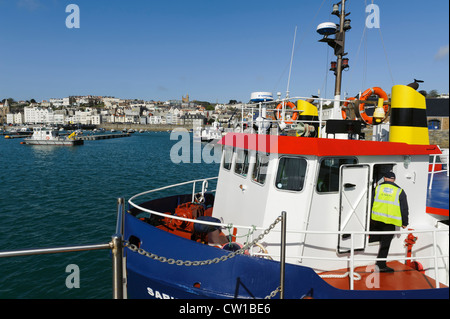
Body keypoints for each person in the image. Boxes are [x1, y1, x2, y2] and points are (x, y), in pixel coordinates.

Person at [370, 171, 409, 272]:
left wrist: (370, 218)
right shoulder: (400, 191)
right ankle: (381, 265)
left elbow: (370, 202)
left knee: (373, 238)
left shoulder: (377, 188)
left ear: (384, 178)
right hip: (390, 222)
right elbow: (404, 208)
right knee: (385, 244)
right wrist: (405, 223)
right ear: (394, 179)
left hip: (376, 220)